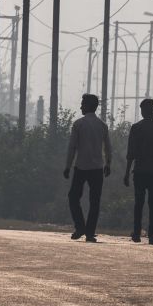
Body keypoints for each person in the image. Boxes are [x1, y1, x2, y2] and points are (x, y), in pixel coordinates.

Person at [63, 93, 112, 242]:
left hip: (81, 167)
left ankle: (80, 226)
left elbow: (72, 147)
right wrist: (108, 163)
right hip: (97, 168)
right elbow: (108, 148)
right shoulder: (102, 125)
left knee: (73, 197)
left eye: (83, 104)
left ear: (89, 106)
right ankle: (90, 233)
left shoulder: (78, 124)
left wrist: (68, 166)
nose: (80, 107)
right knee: (94, 201)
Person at [123, 97, 153, 245]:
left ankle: (136, 233)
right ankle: (152, 235)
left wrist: (126, 173)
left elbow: (131, 153)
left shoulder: (136, 128)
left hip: (140, 171)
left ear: (142, 111)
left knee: (139, 202)